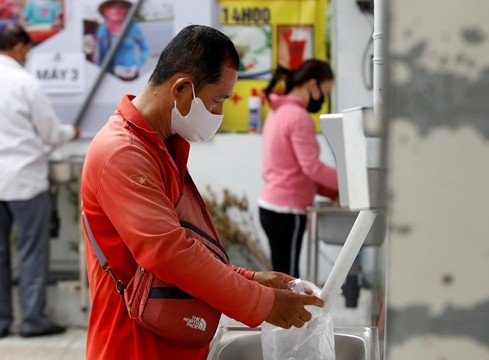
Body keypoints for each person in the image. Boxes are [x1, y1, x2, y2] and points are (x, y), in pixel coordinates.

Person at [81, 24, 324, 360]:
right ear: (181, 88)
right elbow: (168, 253)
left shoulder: (163, 147)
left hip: (167, 339)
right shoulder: (123, 153)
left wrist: (254, 280)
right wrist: (262, 303)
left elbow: (188, 246)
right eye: (216, 100)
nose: (220, 113)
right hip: (133, 345)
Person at [0, 24, 79, 339]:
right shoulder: (25, 83)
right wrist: (71, 132)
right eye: (27, 49)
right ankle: (32, 321)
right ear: (18, 46)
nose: (27, 56)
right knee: (31, 252)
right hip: (24, 180)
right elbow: (50, 134)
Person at [258, 60, 339, 279]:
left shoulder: (278, 112)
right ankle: (284, 315)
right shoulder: (299, 117)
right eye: (326, 91)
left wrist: (332, 190)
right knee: (290, 281)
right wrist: (348, 182)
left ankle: (276, 314)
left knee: (282, 277)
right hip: (288, 211)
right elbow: (312, 167)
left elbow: (295, 168)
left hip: (270, 206)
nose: (324, 99)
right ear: (312, 85)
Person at [95, 0, 149, 81]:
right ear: (108, 9)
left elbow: (145, 49)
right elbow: (100, 57)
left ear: (127, 10)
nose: (117, 10)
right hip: (109, 76)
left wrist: (137, 66)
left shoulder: (133, 28)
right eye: (114, 6)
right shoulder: (103, 30)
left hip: (130, 76)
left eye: (121, 7)